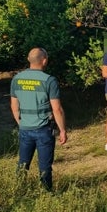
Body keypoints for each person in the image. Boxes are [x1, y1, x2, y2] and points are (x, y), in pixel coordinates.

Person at [10, 47, 67, 191]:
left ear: (29, 60)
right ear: (44, 60)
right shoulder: (49, 80)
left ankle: (18, 190)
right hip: (44, 130)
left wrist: (22, 123)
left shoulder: (16, 79)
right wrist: (63, 130)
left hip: (24, 129)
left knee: (23, 163)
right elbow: (57, 109)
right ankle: (46, 194)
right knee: (45, 166)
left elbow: (14, 107)